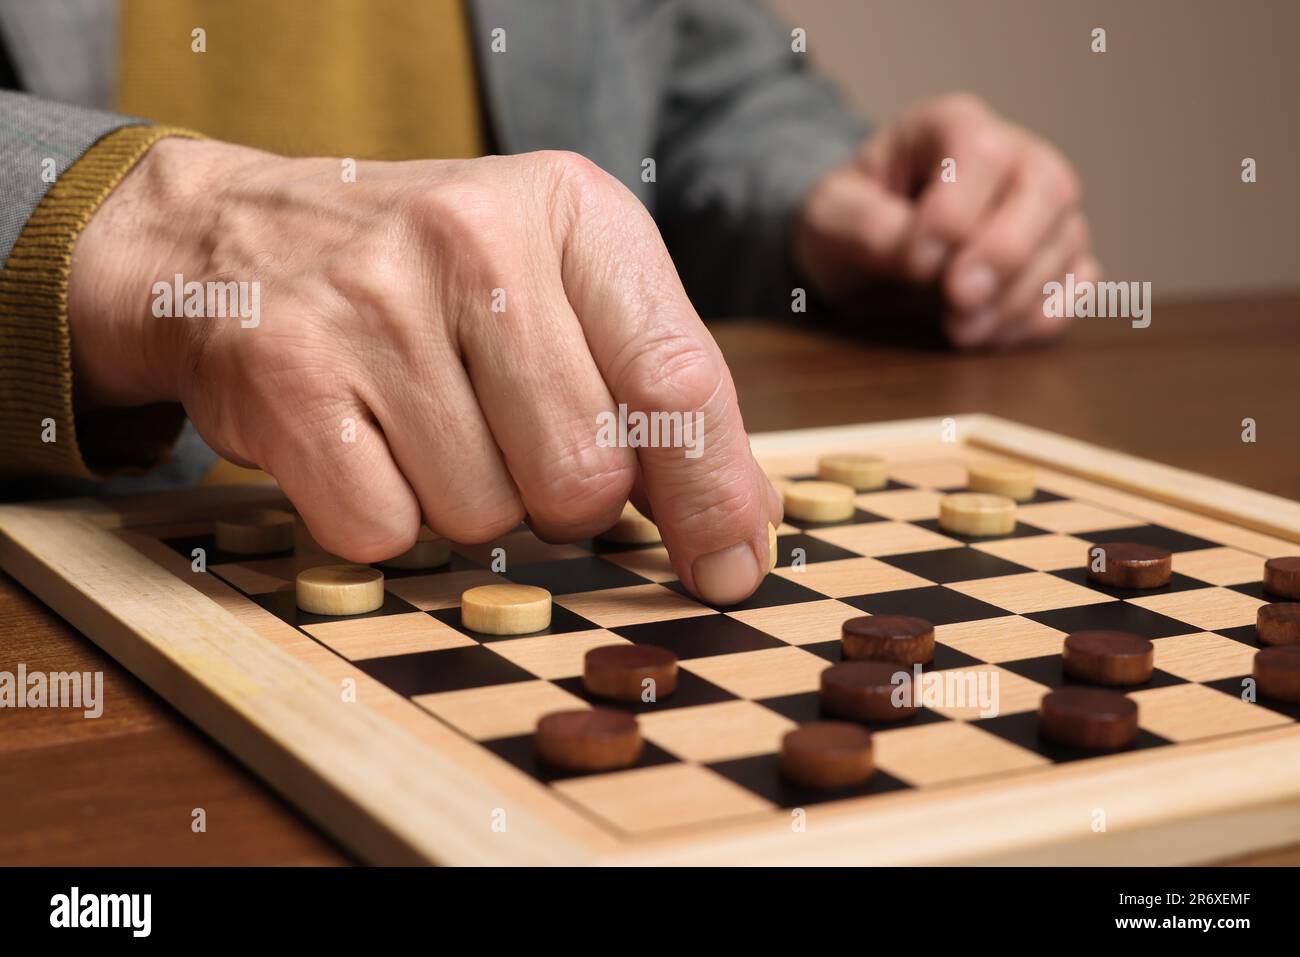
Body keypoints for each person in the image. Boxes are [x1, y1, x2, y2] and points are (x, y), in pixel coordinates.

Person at [0, 1, 1094, 605]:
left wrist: (831, 204)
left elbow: (703, 86)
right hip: (80, 584)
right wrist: (148, 231)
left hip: (536, 562)